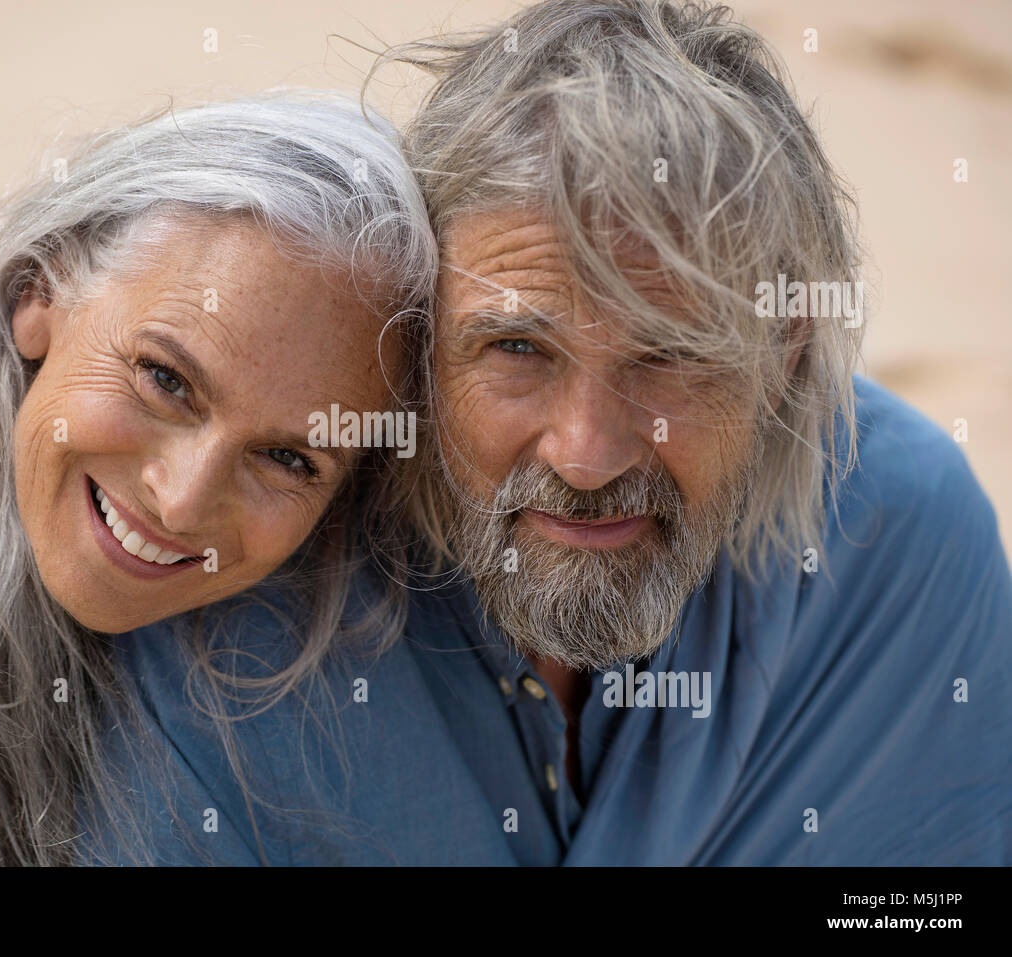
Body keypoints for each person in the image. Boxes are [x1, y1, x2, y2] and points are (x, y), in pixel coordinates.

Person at [0, 91, 452, 865]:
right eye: (165, 379)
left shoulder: (317, 634)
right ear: (38, 293)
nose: (183, 497)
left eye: (289, 458)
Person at [382, 0, 1012, 863]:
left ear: (785, 359)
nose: (587, 455)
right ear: (420, 340)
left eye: (672, 355)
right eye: (517, 347)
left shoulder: (897, 547)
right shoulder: (281, 550)